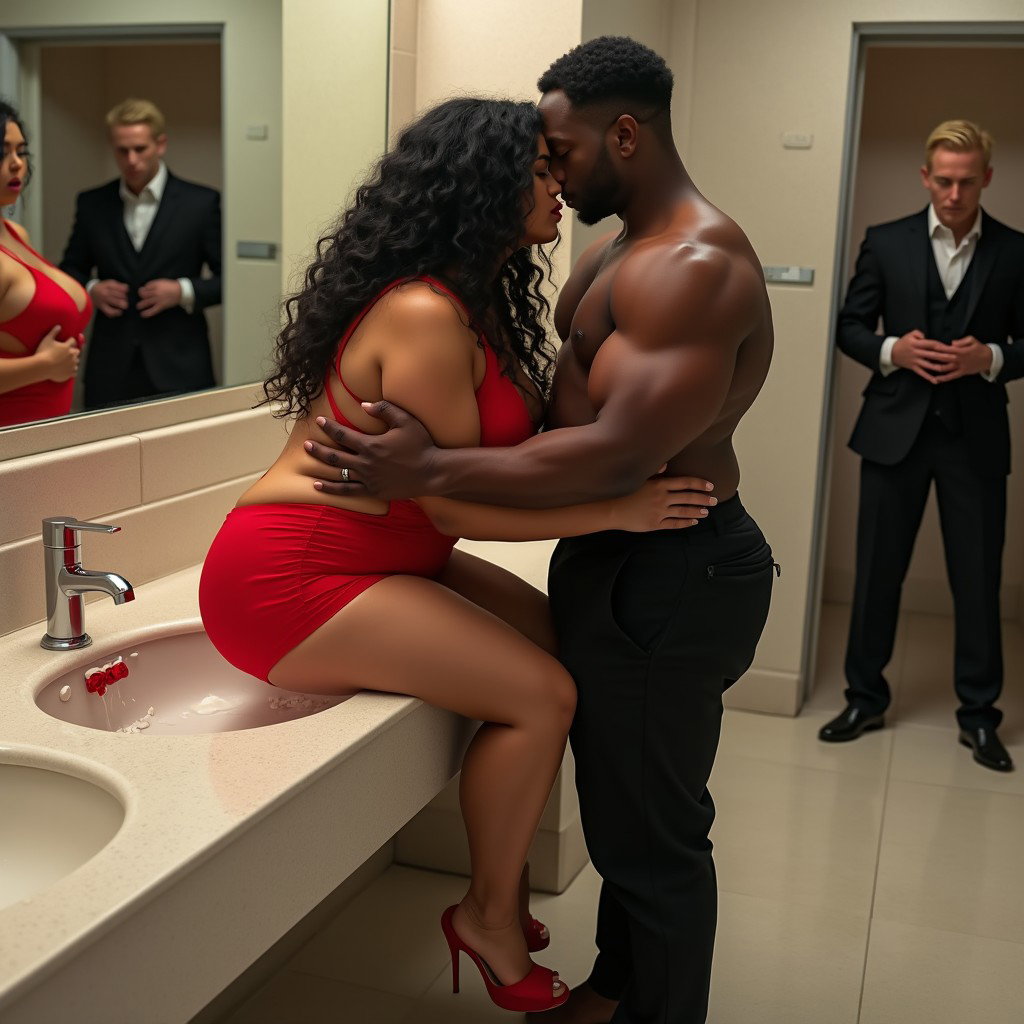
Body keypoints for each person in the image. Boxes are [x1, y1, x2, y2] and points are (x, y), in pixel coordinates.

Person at [199, 97, 714, 1016]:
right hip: (293, 573)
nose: (559, 188)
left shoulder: (475, 306)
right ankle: (488, 916)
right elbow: (451, 503)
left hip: (391, 555)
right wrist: (615, 511)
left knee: (562, 649)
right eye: (541, 172)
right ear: (484, 186)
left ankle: (500, 890)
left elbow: (474, 478)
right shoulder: (424, 314)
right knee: (542, 696)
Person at [301, 37, 776, 1024]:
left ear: (625, 134)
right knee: (623, 816)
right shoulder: (611, 255)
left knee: (655, 837)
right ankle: (614, 990)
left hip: (676, 565)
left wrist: (433, 472)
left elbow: (616, 453)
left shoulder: (693, 267)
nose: (552, 172)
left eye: (562, 152)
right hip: (615, 556)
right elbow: (562, 426)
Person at [819, 120, 1024, 772]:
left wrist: (991, 358)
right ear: (925, 177)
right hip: (893, 433)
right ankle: (864, 699)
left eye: (966, 181)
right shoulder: (886, 242)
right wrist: (892, 350)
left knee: (977, 580)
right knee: (877, 572)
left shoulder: (1016, 251)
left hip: (975, 439)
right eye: (943, 181)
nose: (954, 194)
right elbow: (850, 325)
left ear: (986, 178)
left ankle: (979, 717)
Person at [59, 98, 221, 409]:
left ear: (160, 144)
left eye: (140, 149)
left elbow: (230, 279)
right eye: (122, 151)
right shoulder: (92, 203)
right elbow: (69, 269)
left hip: (180, 363)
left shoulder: (201, 203)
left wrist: (183, 291)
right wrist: (92, 290)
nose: (131, 160)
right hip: (110, 365)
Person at [0, 100, 89, 428]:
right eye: (2, 152)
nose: (16, 164)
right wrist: (44, 366)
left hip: (47, 432)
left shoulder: (16, 234)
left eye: (20, 152)